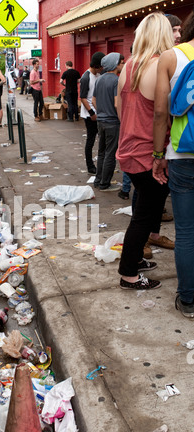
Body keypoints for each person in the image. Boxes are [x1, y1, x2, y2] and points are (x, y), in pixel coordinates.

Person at [116, 12, 175, 290]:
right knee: (143, 216)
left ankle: (136, 260)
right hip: (148, 155)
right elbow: (161, 114)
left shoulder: (128, 66)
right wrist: (157, 155)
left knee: (142, 210)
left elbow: (120, 111)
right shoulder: (158, 67)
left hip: (128, 150)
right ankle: (129, 273)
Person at [153, 10, 194, 315]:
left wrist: (157, 155)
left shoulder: (172, 56)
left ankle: (189, 299)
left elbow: (160, 113)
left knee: (186, 231)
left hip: (182, 153)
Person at [92, 53, 124, 191]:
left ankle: (98, 180)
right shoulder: (116, 80)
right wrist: (122, 120)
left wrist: (102, 111)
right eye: (121, 62)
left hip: (101, 120)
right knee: (110, 154)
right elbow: (117, 104)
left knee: (101, 152)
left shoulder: (99, 79)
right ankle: (105, 183)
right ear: (115, 64)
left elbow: (93, 100)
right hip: (112, 122)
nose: (123, 65)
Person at [80, 52, 105, 175]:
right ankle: (90, 166)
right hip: (89, 114)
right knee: (90, 140)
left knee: (100, 139)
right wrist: (91, 113)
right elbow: (83, 97)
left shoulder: (98, 75)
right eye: (101, 66)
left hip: (97, 112)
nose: (102, 69)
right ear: (96, 66)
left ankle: (100, 164)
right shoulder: (86, 77)